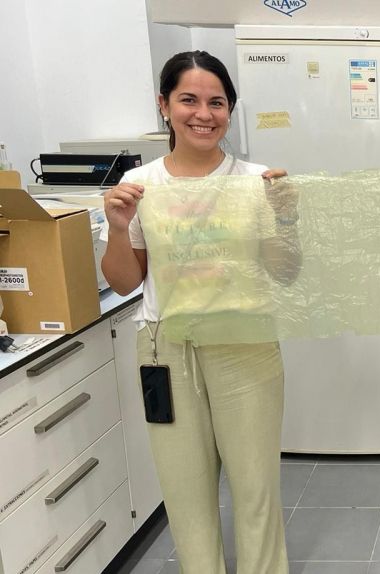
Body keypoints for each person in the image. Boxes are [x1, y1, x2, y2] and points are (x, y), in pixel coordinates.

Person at [101, 50, 299, 574]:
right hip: (167, 351)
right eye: (189, 100)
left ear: (230, 110)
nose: (204, 114)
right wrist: (118, 228)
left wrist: (284, 219)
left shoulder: (256, 182)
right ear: (164, 105)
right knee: (185, 491)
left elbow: (285, 272)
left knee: (255, 486)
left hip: (245, 344)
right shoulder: (139, 186)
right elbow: (124, 281)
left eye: (217, 102)